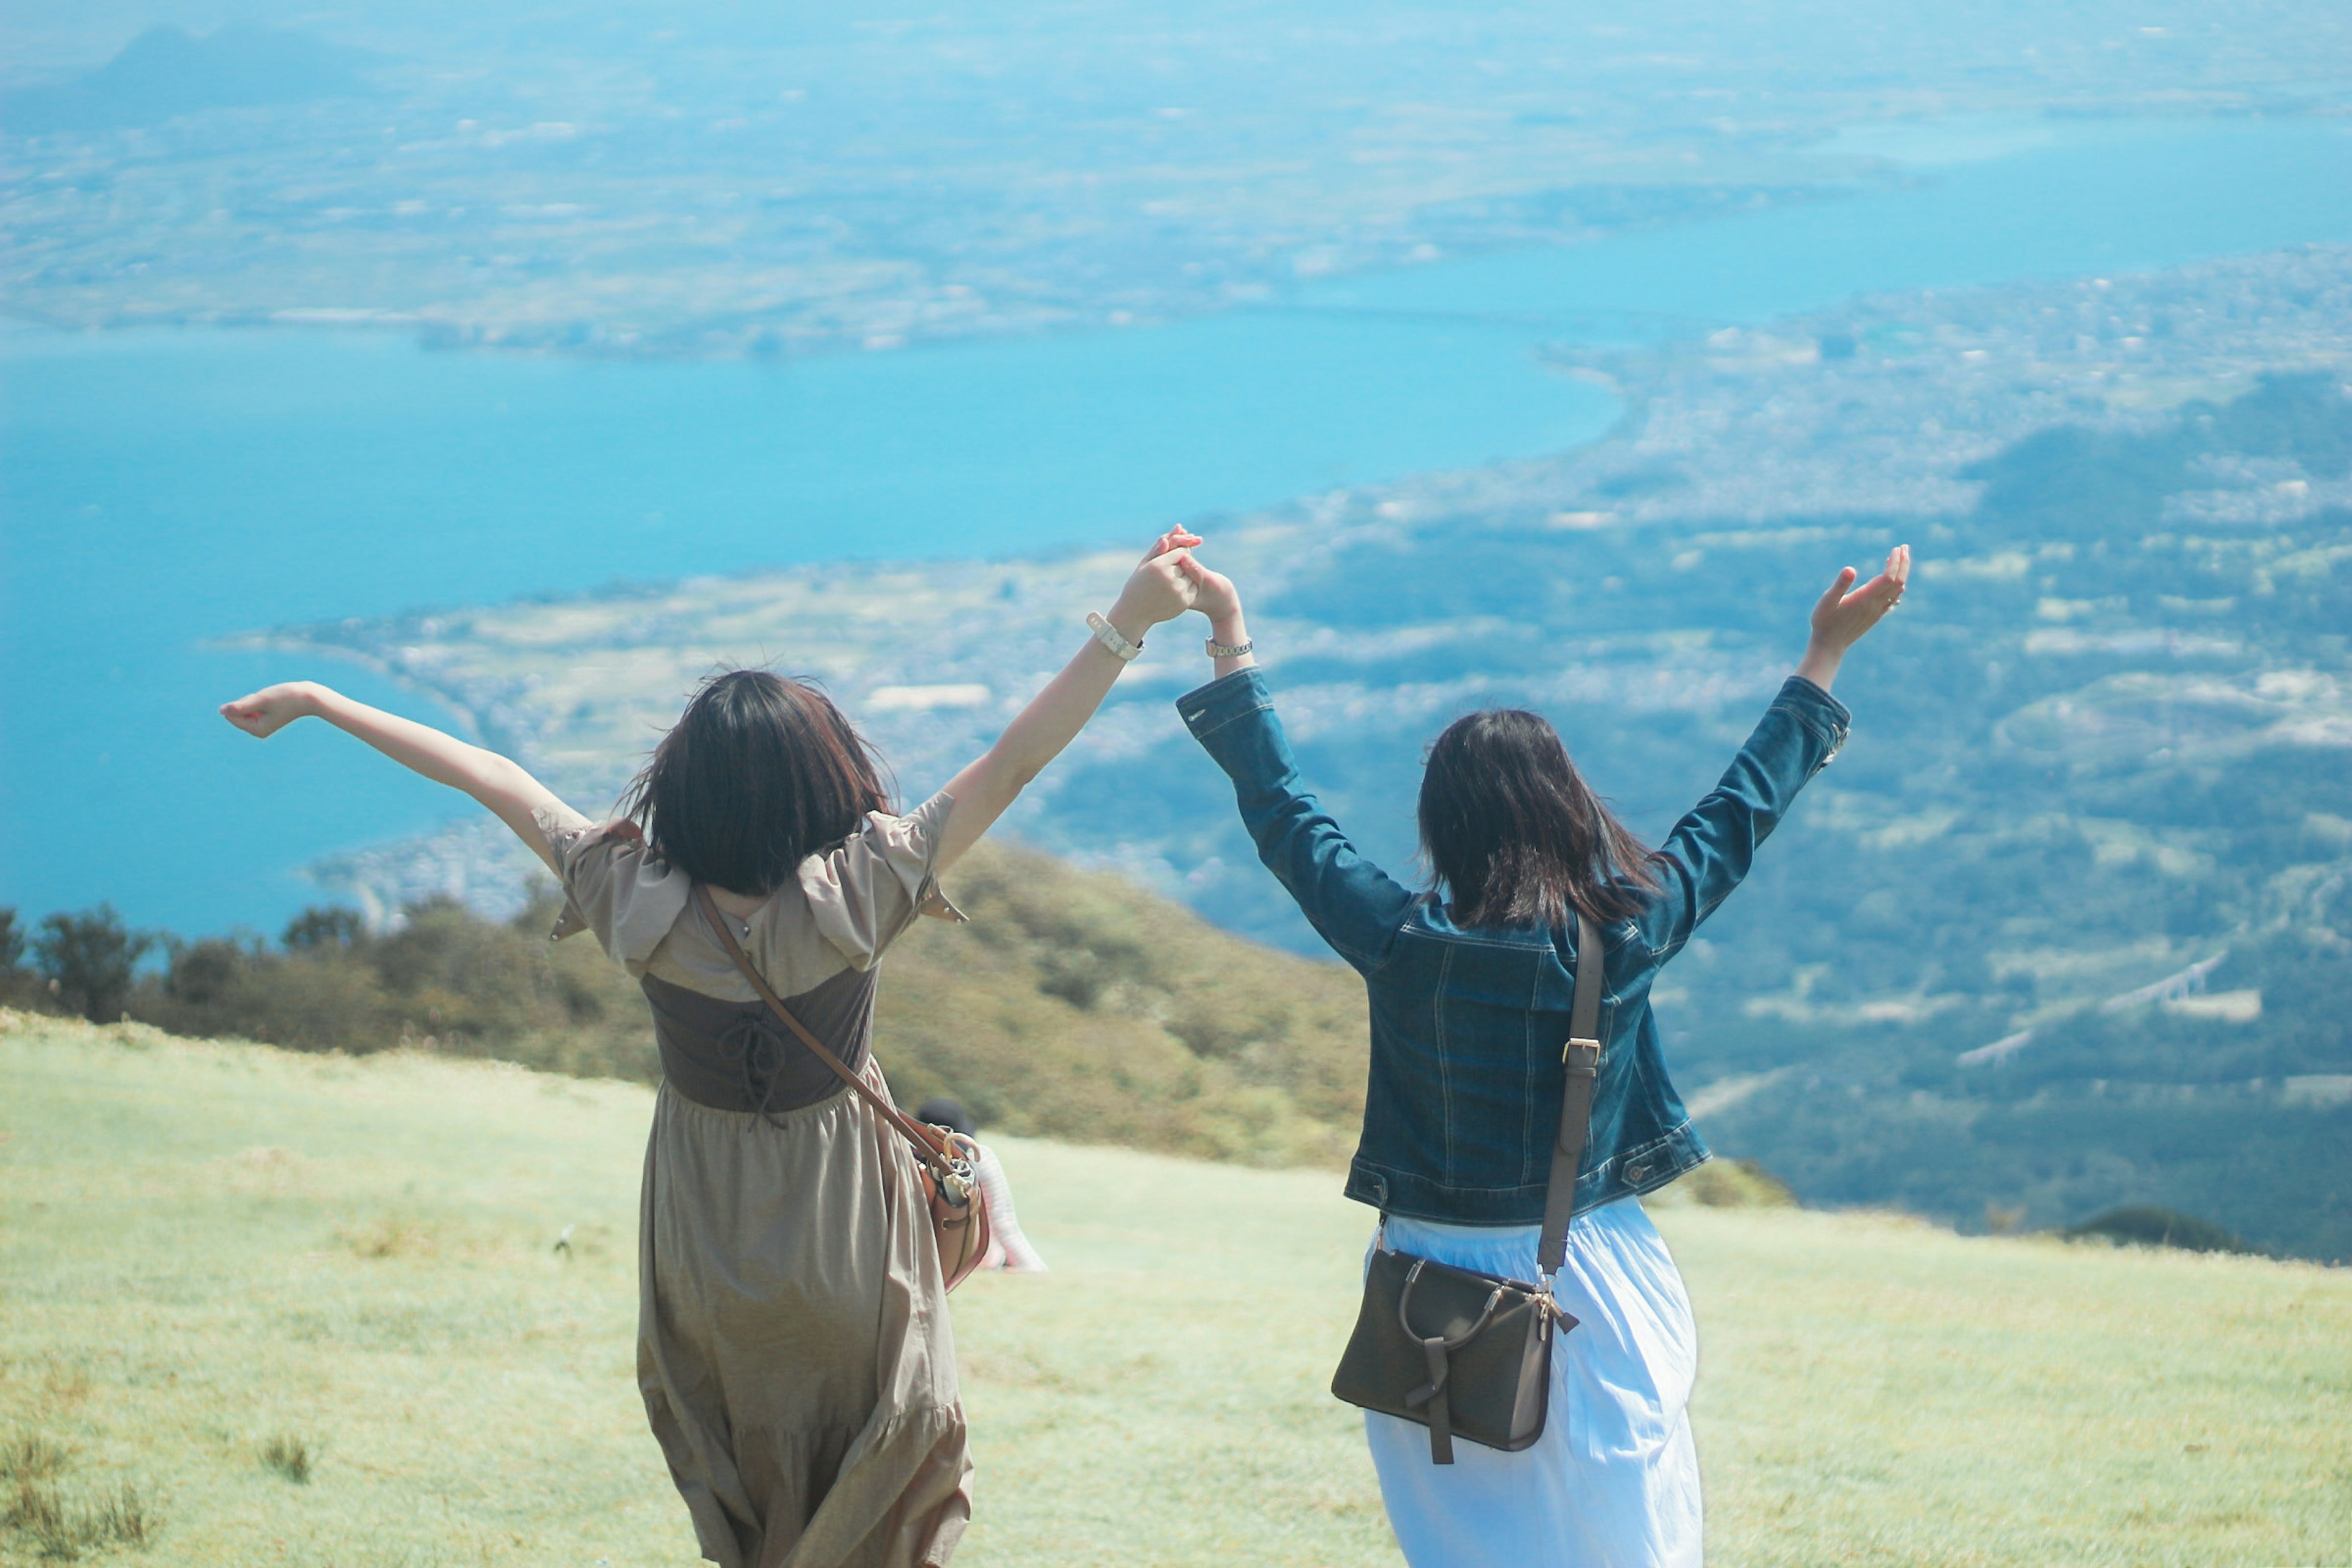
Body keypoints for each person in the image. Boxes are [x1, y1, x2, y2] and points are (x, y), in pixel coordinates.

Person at [219, 530, 1202, 1568]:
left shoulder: (630, 901)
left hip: (701, 1236)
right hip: (845, 1229)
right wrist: (1128, 620)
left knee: (746, 1475)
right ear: (818, 785)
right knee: (889, 1464)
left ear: (683, 792)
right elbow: (1016, 760)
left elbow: (493, 777)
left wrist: (325, 703)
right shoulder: (858, 895)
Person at [1169, 543, 1910, 1567]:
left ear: (1442, 822)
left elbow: (1286, 813)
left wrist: (1230, 639)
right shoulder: (1622, 935)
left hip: (1420, 1292)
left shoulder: (1398, 944)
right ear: (1567, 807)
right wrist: (1822, 656)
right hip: (1583, 1280)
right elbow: (1737, 814)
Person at [913, 1098, 1049, 1273]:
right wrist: (1032, 1266)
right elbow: (1002, 1221)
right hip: (976, 1259)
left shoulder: (907, 1159)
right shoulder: (979, 1159)